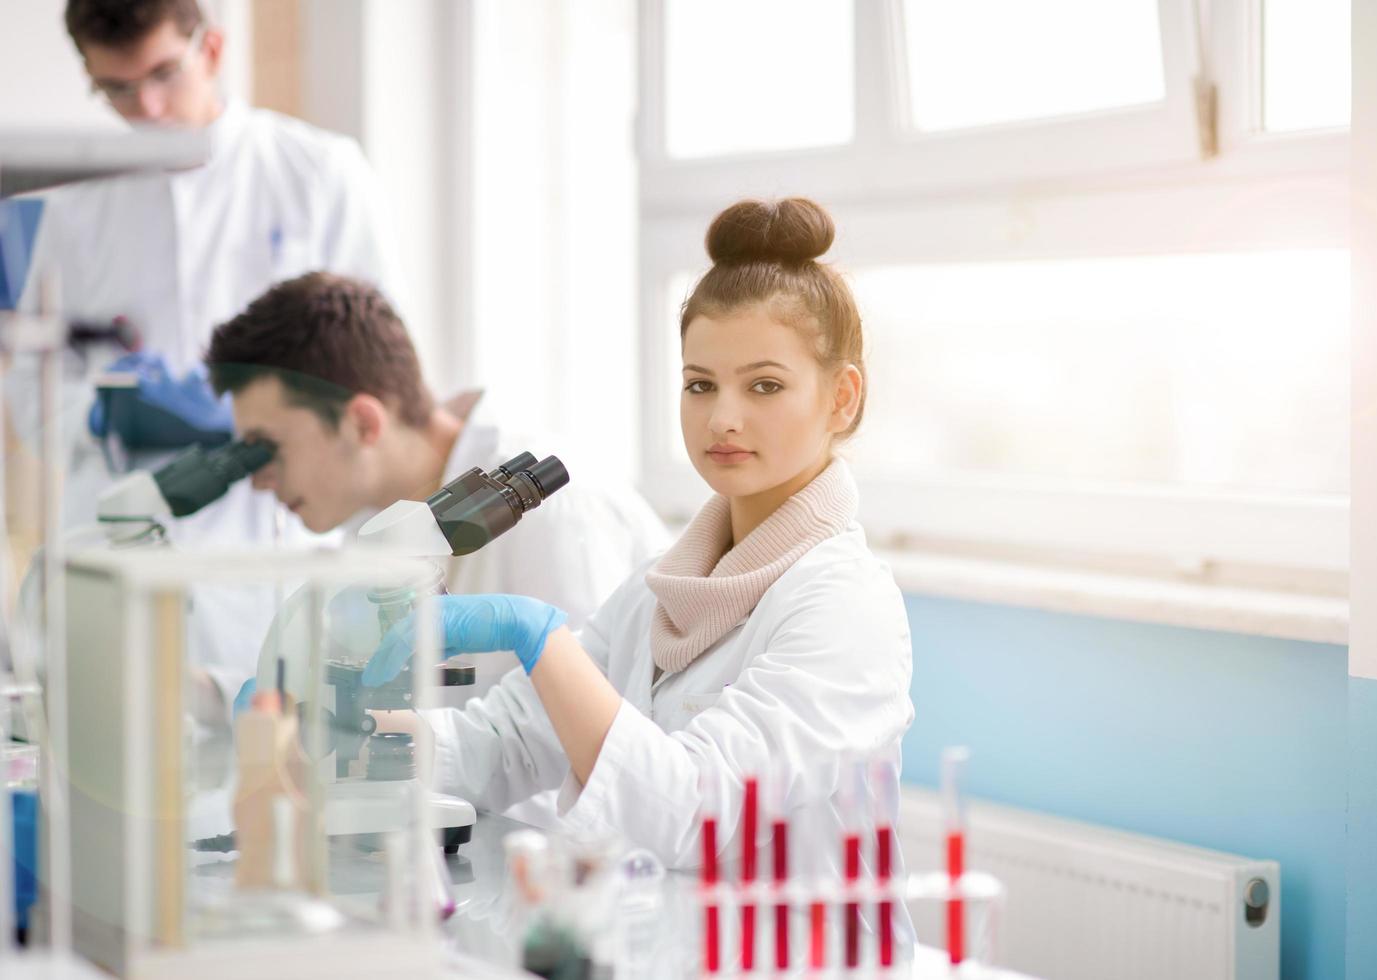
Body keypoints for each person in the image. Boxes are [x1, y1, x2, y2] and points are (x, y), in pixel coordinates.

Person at [366, 199, 915, 891]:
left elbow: (694, 814)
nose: (722, 417)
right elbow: (502, 746)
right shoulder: (663, 584)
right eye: (699, 385)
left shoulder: (845, 607)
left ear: (842, 397)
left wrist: (540, 640)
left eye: (765, 386)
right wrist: (351, 738)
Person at [12, 0, 400, 723]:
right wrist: (103, 415)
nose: (148, 107)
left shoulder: (317, 173)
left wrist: (261, 412)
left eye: (163, 74)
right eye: (119, 89)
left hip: (275, 560)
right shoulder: (73, 208)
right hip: (119, 564)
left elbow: (379, 369)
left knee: (275, 789)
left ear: (212, 48)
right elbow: (33, 395)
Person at [203, 271, 670, 677]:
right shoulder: (380, 529)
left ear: (363, 422)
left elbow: (594, 736)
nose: (257, 480)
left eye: (267, 448)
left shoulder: (556, 509)